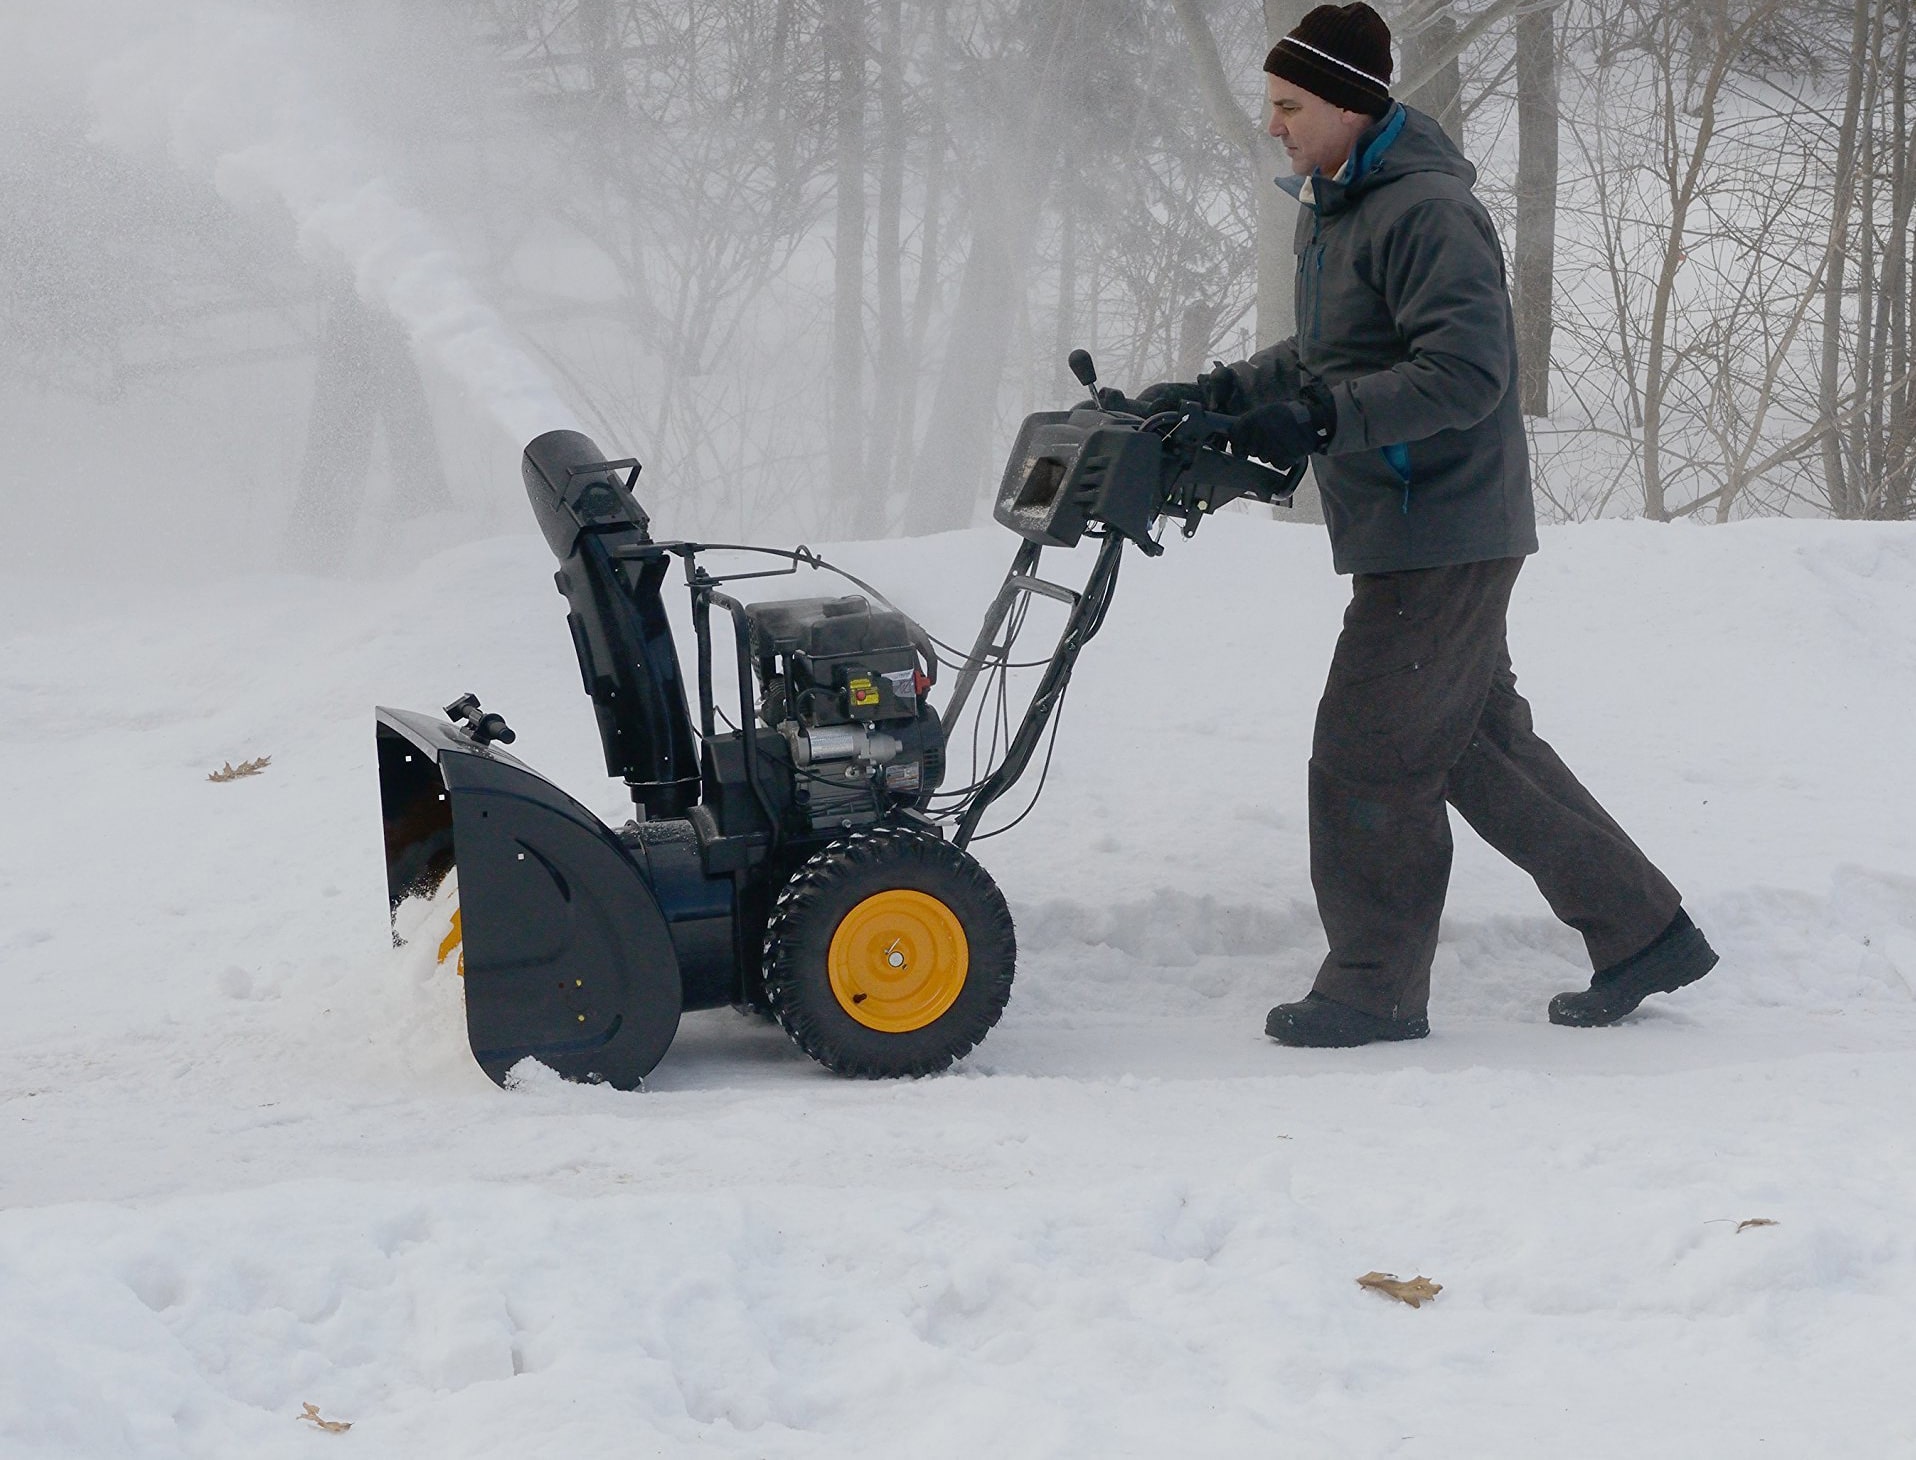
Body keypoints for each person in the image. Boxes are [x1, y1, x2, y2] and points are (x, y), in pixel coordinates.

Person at [1120, 3, 1717, 1046]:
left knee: (1365, 752)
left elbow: (1465, 372)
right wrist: (1215, 392)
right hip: (1409, 522)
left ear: (1348, 105)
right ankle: (1641, 927)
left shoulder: (1426, 212)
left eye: (1288, 105)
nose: (1273, 125)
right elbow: (1326, 354)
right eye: (1271, 105)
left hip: (1440, 524)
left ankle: (1372, 986)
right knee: (1472, 745)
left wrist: (1319, 419)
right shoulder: (1339, 207)